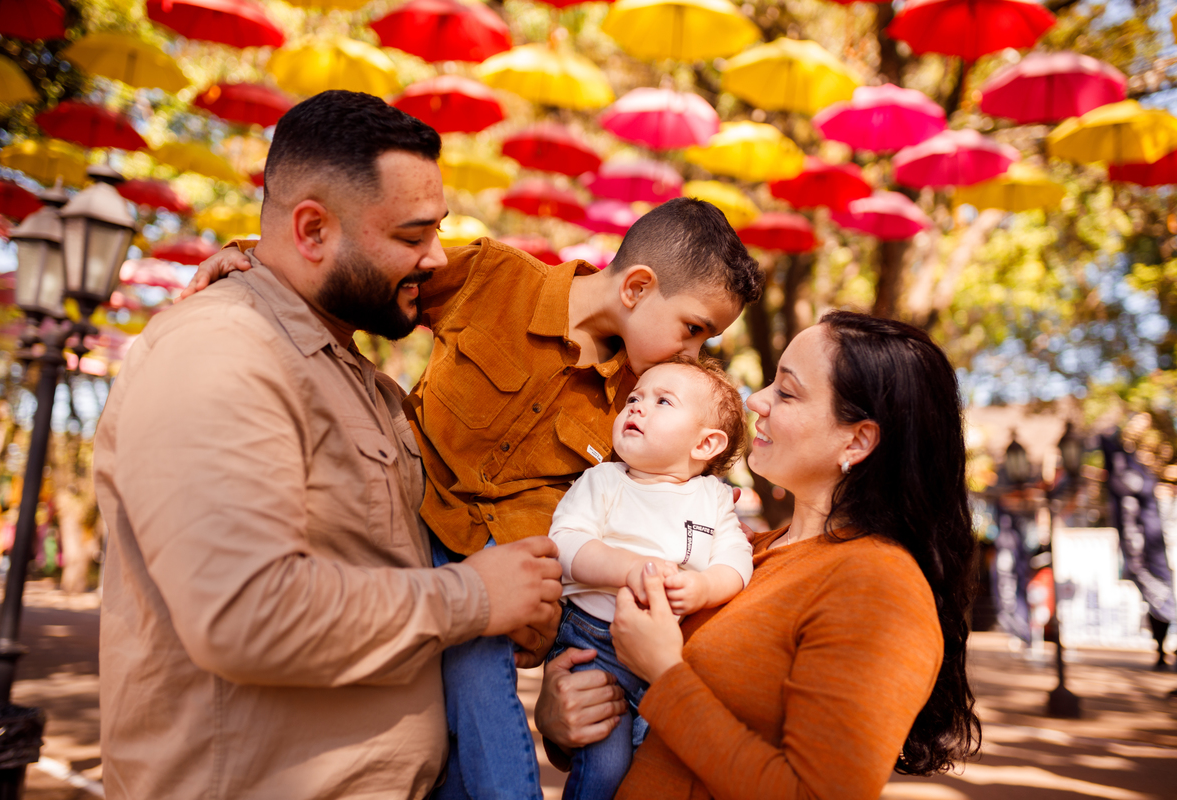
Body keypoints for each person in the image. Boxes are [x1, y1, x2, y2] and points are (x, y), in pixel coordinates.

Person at [190, 197, 765, 799]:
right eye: (693, 329)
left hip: (494, 579)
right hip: (397, 534)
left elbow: (605, 525)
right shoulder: (495, 277)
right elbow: (365, 276)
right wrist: (248, 259)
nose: (691, 354)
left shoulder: (641, 405)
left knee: (472, 698)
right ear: (637, 287)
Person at [93, 91, 564, 800]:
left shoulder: (352, 373)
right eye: (412, 236)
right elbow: (245, 612)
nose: (436, 258)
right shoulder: (220, 350)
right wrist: (474, 597)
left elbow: (381, 580)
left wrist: (513, 610)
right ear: (311, 230)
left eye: (438, 230)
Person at [536, 311, 982, 799]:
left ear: (856, 440)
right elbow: (651, 731)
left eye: (786, 392)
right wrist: (562, 719)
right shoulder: (742, 554)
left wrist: (663, 674)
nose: (757, 400)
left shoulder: (878, 586)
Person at [546, 356, 754, 800]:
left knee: (654, 761)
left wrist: (702, 588)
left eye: (663, 401)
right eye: (635, 397)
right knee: (605, 766)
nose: (637, 407)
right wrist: (629, 570)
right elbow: (564, 544)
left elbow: (737, 560)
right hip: (594, 644)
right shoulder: (604, 480)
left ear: (705, 444)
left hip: (668, 653)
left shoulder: (713, 499)